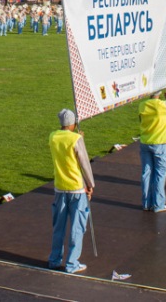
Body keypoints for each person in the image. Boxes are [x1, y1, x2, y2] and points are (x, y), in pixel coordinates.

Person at [48, 109, 95, 275]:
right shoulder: (75, 139)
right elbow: (84, 163)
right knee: (77, 226)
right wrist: (90, 184)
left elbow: (66, 143)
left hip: (60, 186)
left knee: (58, 226)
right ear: (73, 123)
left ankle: (54, 259)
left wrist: (78, 138)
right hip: (76, 187)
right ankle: (71, 262)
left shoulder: (53, 136)